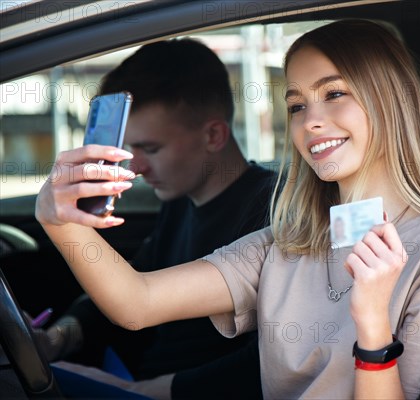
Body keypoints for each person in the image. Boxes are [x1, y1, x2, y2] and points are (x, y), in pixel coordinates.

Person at [35, 19, 420, 399]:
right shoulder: (286, 242)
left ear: (392, 104)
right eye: (296, 104)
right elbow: (136, 302)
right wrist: (57, 220)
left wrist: (371, 322)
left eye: (334, 94)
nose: (310, 119)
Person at [36, 38, 273, 398]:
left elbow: (265, 361)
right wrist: (56, 338)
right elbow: (131, 278)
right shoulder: (180, 200)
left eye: (150, 148)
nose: (138, 165)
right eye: (130, 148)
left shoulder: (273, 209)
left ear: (213, 135)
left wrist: (139, 390)